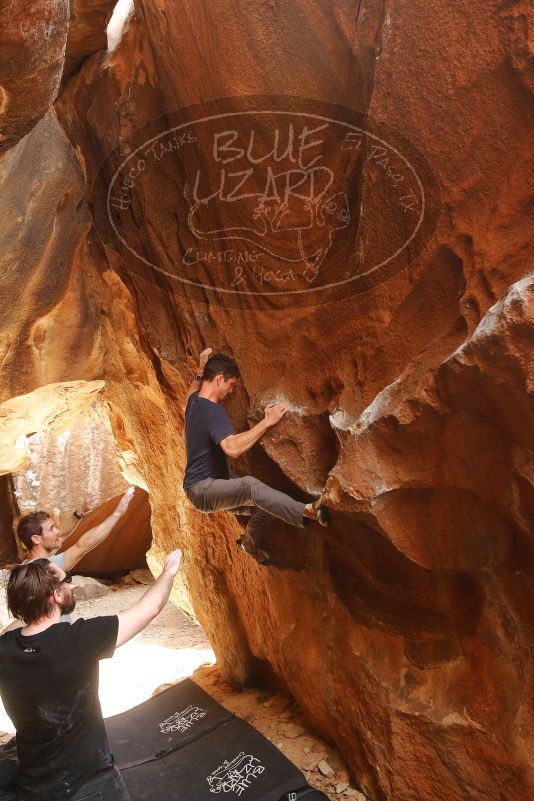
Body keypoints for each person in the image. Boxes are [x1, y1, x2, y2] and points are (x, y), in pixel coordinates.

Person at [0, 549, 182, 801]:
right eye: (67, 582)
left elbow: (21, 626)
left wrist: (29, 606)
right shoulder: (77, 640)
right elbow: (147, 610)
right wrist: (168, 572)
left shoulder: (5, 648)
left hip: (35, 788)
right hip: (89, 785)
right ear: (56, 596)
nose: (71, 587)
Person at [183, 349, 330, 564]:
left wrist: (199, 370)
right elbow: (232, 448)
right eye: (231, 385)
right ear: (219, 379)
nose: (231, 391)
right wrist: (267, 421)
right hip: (203, 489)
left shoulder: (194, 403)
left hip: (213, 484)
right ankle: (307, 512)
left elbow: (187, 398)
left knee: (267, 506)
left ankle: (248, 545)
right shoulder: (213, 412)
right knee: (250, 486)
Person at [16, 487, 136, 573]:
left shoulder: (28, 564)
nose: (58, 532)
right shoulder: (47, 568)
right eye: (52, 529)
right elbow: (82, 546)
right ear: (36, 539)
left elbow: (61, 536)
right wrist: (117, 514)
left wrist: (80, 512)